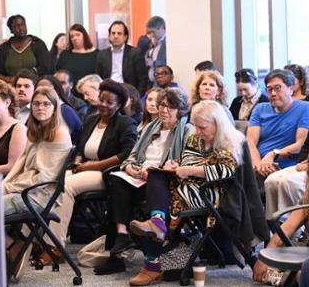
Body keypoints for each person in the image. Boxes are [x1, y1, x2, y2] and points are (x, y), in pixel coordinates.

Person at [128, 100, 245, 285]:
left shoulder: (229, 141)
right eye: (196, 126)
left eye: (203, 127)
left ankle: (152, 264)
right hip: (185, 185)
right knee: (155, 175)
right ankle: (157, 224)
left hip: (209, 193)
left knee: (160, 199)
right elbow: (187, 160)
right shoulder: (195, 138)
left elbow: (226, 171)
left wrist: (190, 170)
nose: (197, 131)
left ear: (217, 124)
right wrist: (176, 166)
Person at [95, 87, 192, 275]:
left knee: (138, 186)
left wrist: (162, 169)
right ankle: (122, 234)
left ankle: (143, 255)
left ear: (179, 111)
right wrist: (130, 167)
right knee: (116, 180)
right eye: (162, 105)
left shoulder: (186, 130)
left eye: (170, 107)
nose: (164, 110)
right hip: (140, 176)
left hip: (164, 181)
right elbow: (131, 156)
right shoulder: (150, 127)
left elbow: (186, 161)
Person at [48, 80, 137, 263]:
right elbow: (80, 147)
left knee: (65, 186)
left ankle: (55, 246)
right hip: (83, 167)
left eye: (109, 102)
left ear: (119, 105)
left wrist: (90, 166)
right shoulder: (90, 120)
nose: (103, 105)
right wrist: (79, 160)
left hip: (105, 173)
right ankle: (35, 240)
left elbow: (126, 154)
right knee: (48, 183)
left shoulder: (124, 123)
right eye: (102, 100)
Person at [2, 86, 72, 281]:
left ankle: (13, 243)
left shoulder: (59, 132)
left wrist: (7, 187)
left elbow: (43, 178)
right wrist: (2, 186)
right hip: (23, 190)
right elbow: (21, 163)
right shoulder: (35, 129)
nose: (40, 108)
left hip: (37, 196)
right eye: (36, 104)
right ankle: (11, 244)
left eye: (46, 104)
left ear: (55, 107)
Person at [253, 146, 309, 283]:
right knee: (276, 250)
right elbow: (287, 228)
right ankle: (289, 278)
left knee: (305, 269)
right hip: (308, 247)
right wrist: (263, 259)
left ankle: (290, 278)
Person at [247, 69, 309, 194]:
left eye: (277, 88)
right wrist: (258, 165)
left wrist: (272, 154)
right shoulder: (260, 109)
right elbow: (250, 142)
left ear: (290, 88)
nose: (272, 93)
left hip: (284, 166)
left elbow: (300, 144)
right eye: (269, 89)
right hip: (258, 163)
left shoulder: (305, 108)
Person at [0, 14, 51, 84]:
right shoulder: (3, 49)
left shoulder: (37, 44)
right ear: (11, 30)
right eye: (17, 26)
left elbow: (46, 67)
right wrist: (7, 79)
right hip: (10, 88)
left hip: (35, 86)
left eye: (23, 25)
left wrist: (23, 77)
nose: (21, 28)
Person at [96, 20, 149, 95]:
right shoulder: (102, 54)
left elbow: (143, 79)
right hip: (108, 92)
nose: (116, 36)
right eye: (113, 33)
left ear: (125, 37)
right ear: (109, 36)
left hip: (128, 92)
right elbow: (99, 78)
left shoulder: (135, 53)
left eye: (119, 33)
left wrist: (138, 97)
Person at [36, 75, 83, 144]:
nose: (42, 91)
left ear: (57, 91)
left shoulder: (65, 111)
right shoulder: (36, 109)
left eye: (47, 88)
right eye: (39, 88)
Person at [56, 24, 99, 89]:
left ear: (84, 35)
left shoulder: (97, 54)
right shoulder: (65, 55)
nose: (75, 38)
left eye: (78, 35)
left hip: (90, 92)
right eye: (72, 36)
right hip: (70, 93)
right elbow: (59, 74)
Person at [144, 16, 167, 83]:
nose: (151, 35)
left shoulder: (168, 43)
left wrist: (153, 63)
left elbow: (167, 63)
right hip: (153, 83)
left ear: (162, 28)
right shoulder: (155, 43)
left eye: (153, 32)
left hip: (163, 83)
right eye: (150, 32)